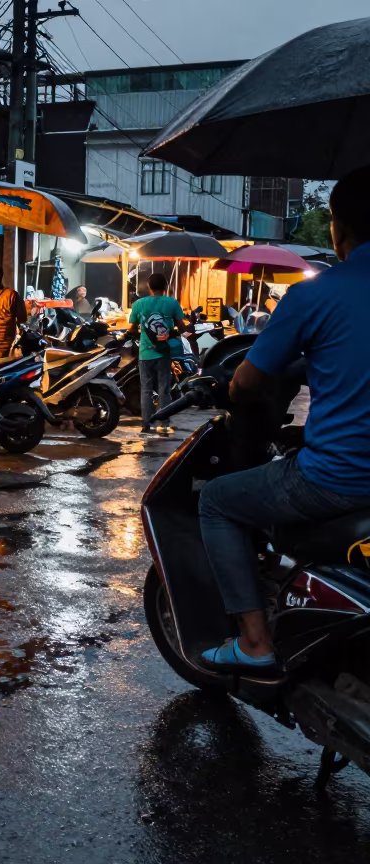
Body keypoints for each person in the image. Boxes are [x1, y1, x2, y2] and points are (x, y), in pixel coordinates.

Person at [197, 166, 370, 676]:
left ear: (338, 229)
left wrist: (230, 388)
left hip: (339, 478)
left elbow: (247, 383)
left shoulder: (315, 294)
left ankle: (255, 641)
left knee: (217, 501)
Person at [127, 273, 185, 434]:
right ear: (165, 287)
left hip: (145, 354)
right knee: (164, 389)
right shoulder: (172, 303)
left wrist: (139, 331)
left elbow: (131, 328)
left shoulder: (139, 304)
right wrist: (173, 331)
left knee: (145, 389)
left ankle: (146, 423)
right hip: (164, 353)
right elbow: (182, 326)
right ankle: (164, 423)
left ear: (149, 287)